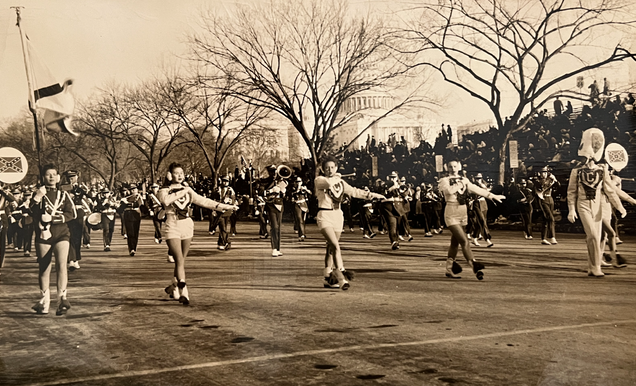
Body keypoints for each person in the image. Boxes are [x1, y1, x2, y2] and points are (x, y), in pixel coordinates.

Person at [159, 162, 238, 305]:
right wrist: (183, 191)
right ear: (169, 175)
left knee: (181, 260)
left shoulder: (188, 190)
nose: (180, 176)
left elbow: (205, 202)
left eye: (182, 173)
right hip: (172, 226)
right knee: (179, 260)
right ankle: (184, 291)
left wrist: (227, 206)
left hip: (187, 226)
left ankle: (174, 286)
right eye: (176, 173)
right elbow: (166, 201)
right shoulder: (164, 190)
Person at [314, 156, 385, 290]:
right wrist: (338, 177)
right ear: (323, 169)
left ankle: (328, 278)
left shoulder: (340, 182)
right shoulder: (319, 180)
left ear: (336, 168)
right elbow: (329, 184)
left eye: (332, 167)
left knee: (330, 248)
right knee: (335, 246)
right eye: (327, 168)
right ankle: (342, 278)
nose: (330, 170)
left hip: (337, 216)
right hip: (324, 215)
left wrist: (374, 195)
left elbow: (354, 192)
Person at [567, 128, 626, 277]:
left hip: (598, 207)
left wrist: (619, 206)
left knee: (598, 236)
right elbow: (571, 192)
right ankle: (594, 266)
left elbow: (610, 190)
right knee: (592, 235)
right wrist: (571, 209)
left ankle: (594, 267)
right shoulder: (576, 171)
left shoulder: (602, 170)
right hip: (583, 205)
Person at [438, 159, 505, 280]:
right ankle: (474, 265)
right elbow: (448, 191)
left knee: (455, 242)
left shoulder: (465, 179)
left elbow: (476, 189)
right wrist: (461, 183)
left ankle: (449, 269)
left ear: (459, 167)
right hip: (451, 212)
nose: (453, 168)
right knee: (464, 241)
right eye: (450, 166)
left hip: (463, 212)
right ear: (446, 168)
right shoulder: (444, 180)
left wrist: (492, 196)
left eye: (455, 166)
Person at [30, 164, 76, 315]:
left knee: (62, 265)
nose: (51, 177)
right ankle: (44, 301)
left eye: (54, 174)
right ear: (43, 177)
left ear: (58, 177)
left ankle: (62, 299)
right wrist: (37, 197)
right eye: (47, 174)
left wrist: (54, 218)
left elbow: (72, 214)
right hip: (44, 234)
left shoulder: (64, 195)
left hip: (62, 233)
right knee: (44, 268)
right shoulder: (38, 193)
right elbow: (29, 211)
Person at [263, 166, 288, 257]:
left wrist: (283, 191)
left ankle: (277, 248)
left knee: (279, 228)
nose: (273, 174)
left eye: (274, 172)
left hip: (279, 205)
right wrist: (271, 190)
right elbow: (262, 191)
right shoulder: (266, 181)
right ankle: (274, 248)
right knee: (274, 227)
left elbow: (284, 195)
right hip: (270, 205)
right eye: (271, 172)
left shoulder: (282, 182)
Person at [379, 171, 406, 250]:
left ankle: (396, 241)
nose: (393, 179)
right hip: (388, 206)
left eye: (395, 177)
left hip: (398, 207)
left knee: (397, 224)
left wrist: (402, 191)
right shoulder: (384, 185)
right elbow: (383, 194)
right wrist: (391, 188)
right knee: (392, 224)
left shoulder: (398, 186)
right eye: (392, 177)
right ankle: (393, 241)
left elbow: (403, 195)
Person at [534, 166, 560, 245]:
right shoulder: (537, 180)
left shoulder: (550, 180)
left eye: (545, 172)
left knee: (546, 220)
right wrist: (550, 179)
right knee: (550, 218)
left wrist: (555, 180)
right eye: (542, 172)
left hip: (550, 199)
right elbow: (542, 186)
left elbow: (558, 186)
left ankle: (544, 238)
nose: (544, 174)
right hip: (543, 199)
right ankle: (552, 237)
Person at [119, 183, 144, 256]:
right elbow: (120, 210)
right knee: (130, 233)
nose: (133, 191)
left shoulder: (139, 197)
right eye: (131, 190)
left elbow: (139, 205)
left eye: (134, 189)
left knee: (135, 233)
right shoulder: (126, 198)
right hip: (128, 215)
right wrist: (121, 204)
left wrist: (127, 203)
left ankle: (134, 247)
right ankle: (131, 249)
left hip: (136, 215)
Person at [216, 176, 236, 251]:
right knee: (222, 227)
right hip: (219, 210)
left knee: (224, 227)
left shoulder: (230, 190)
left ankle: (220, 242)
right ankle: (227, 241)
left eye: (226, 181)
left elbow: (233, 199)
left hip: (227, 211)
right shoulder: (217, 189)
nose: (225, 182)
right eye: (224, 181)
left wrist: (231, 201)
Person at [95, 187, 117, 252]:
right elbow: (99, 208)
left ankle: (109, 243)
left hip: (112, 215)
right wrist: (104, 203)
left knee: (111, 230)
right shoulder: (100, 200)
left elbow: (116, 206)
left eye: (107, 193)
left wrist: (114, 204)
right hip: (105, 215)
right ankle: (106, 245)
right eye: (104, 193)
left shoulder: (112, 199)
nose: (106, 195)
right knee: (106, 229)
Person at [290, 176, 311, 241]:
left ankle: (303, 233)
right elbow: (292, 194)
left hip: (304, 204)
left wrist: (306, 190)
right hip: (297, 204)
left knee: (303, 220)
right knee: (299, 219)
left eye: (300, 181)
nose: (298, 183)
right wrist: (298, 189)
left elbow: (310, 193)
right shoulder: (293, 188)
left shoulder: (304, 187)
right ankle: (301, 234)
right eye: (297, 181)